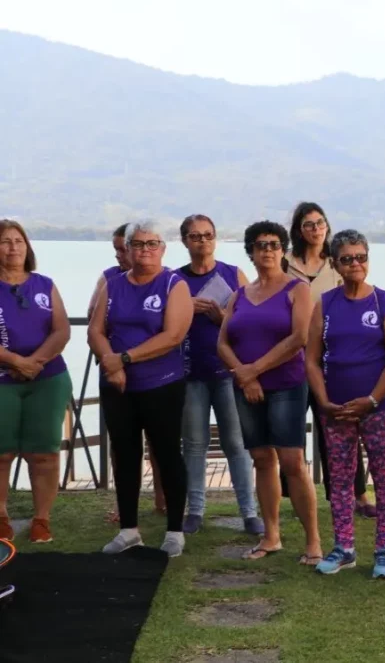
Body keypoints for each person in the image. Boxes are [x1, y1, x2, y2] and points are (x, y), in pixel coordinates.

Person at [218, 221, 321, 565]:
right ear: (250, 251)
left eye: (274, 245)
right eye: (260, 245)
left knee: (292, 462)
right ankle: (271, 535)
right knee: (262, 459)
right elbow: (222, 343)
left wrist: (254, 370)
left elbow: (299, 338)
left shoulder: (297, 289)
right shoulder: (239, 295)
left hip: (286, 386)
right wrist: (243, 375)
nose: (267, 250)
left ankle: (313, 541)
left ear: (283, 250)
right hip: (246, 389)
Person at [88, 220, 192, 557]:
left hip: (162, 385)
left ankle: (174, 531)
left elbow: (173, 335)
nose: (144, 250)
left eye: (151, 244)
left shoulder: (174, 284)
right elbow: (95, 330)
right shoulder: (113, 285)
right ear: (128, 249)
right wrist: (112, 364)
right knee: (125, 455)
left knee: (167, 454)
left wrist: (124, 359)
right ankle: (129, 530)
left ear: (163, 248)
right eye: (137, 244)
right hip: (118, 387)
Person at [306, 230, 385, 578]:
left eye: (361, 257)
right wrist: (323, 400)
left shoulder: (384, 302)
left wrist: (373, 399)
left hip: (381, 408)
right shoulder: (325, 304)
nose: (355, 264)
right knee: (340, 480)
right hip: (336, 410)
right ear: (335, 264)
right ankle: (343, 548)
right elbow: (311, 359)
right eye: (347, 259)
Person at [284, 202, 373, 516]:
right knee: (291, 428)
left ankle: (356, 495)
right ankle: (293, 495)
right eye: (308, 224)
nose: (316, 229)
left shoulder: (337, 262)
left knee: (340, 427)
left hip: (329, 358)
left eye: (320, 222)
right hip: (291, 357)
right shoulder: (285, 262)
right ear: (299, 229)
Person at [177, 214, 262, 536]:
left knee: (236, 443)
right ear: (185, 241)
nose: (203, 241)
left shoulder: (233, 274)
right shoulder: (175, 281)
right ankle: (195, 511)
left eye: (208, 235)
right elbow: (164, 324)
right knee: (194, 444)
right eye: (196, 236)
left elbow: (248, 322)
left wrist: (220, 316)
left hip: (228, 371)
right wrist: (185, 308)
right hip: (190, 373)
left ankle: (249, 512)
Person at [0, 220, 72, 544]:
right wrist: (16, 362)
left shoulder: (45, 284)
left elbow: (62, 330)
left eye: (19, 241)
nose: (13, 247)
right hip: (3, 380)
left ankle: (42, 518)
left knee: (44, 453)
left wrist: (35, 362)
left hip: (48, 379)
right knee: (1, 453)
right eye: (5, 241)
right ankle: (1, 517)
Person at [90, 223, 167, 519]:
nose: (120, 255)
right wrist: (111, 362)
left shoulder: (164, 279)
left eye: (124, 248)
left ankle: (163, 498)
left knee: (159, 442)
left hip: (155, 374)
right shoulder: (109, 279)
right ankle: (125, 505)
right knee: (122, 444)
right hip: (114, 371)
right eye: (117, 250)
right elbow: (94, 320)